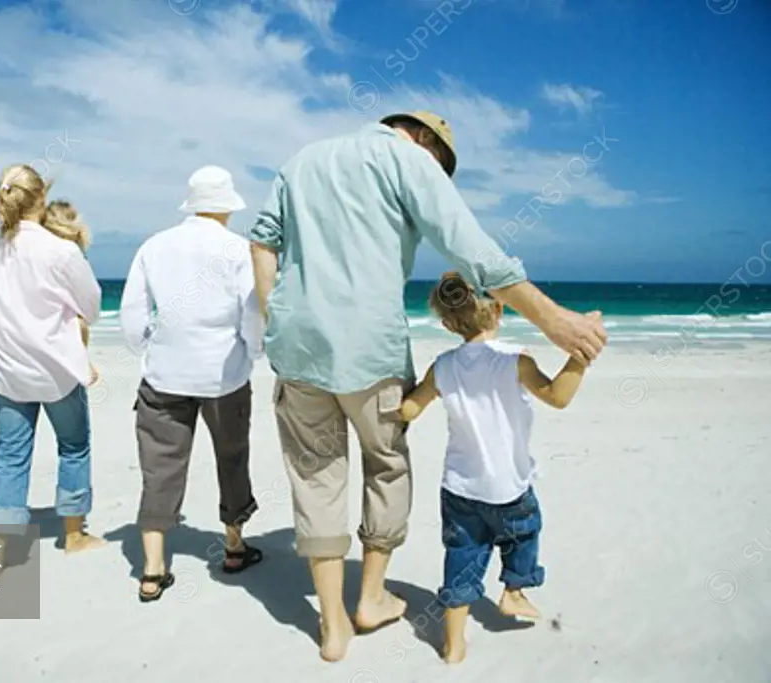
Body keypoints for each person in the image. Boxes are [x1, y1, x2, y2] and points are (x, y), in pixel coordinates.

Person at [248, 110, 608, 662]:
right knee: (386, 464)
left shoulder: (302, 160)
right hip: (371, 349)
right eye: (440, 165)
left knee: (317, 477)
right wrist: (554, 320)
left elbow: (262, 241)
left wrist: (277, 315)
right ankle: (369, 598)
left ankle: (333, 627)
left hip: (298, 348)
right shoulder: (409, 160)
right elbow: (474, 251)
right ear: (424, 141)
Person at [398, 272, 589, 664]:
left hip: (459, 490)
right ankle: (514, 591)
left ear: (448, 323)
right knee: (524, 534)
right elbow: (557, 396)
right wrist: (581, 356)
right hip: (510, 487)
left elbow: (409, 409)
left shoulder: (443, 366)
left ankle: (453, 646)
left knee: (461, 556)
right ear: (499, 309)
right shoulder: (515, 361)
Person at [119, 165, 265, 602]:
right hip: (224, 373)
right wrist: (252, 351)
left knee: (159, 466)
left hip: (165, 374)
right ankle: (234, 547)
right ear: (227, 206)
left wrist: (148, 350)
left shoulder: (154, 245)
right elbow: (253, 313)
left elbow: (132, 313)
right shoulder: (240, 249)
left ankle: (152, 568)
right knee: (232, 457)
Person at [0, 164, 106, 558]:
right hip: (56, 372)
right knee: (74, 446)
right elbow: (93, 307)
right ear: (42, 199)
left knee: (11, 454)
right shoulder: (60, 250)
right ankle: (73, 536)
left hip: (8, 372)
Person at [0, 199, 100, 396]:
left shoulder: (0, 249)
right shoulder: (64, 252)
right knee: (78, 322)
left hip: (12, 362)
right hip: (55, 367)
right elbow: (89, 311)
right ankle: (82, 364)